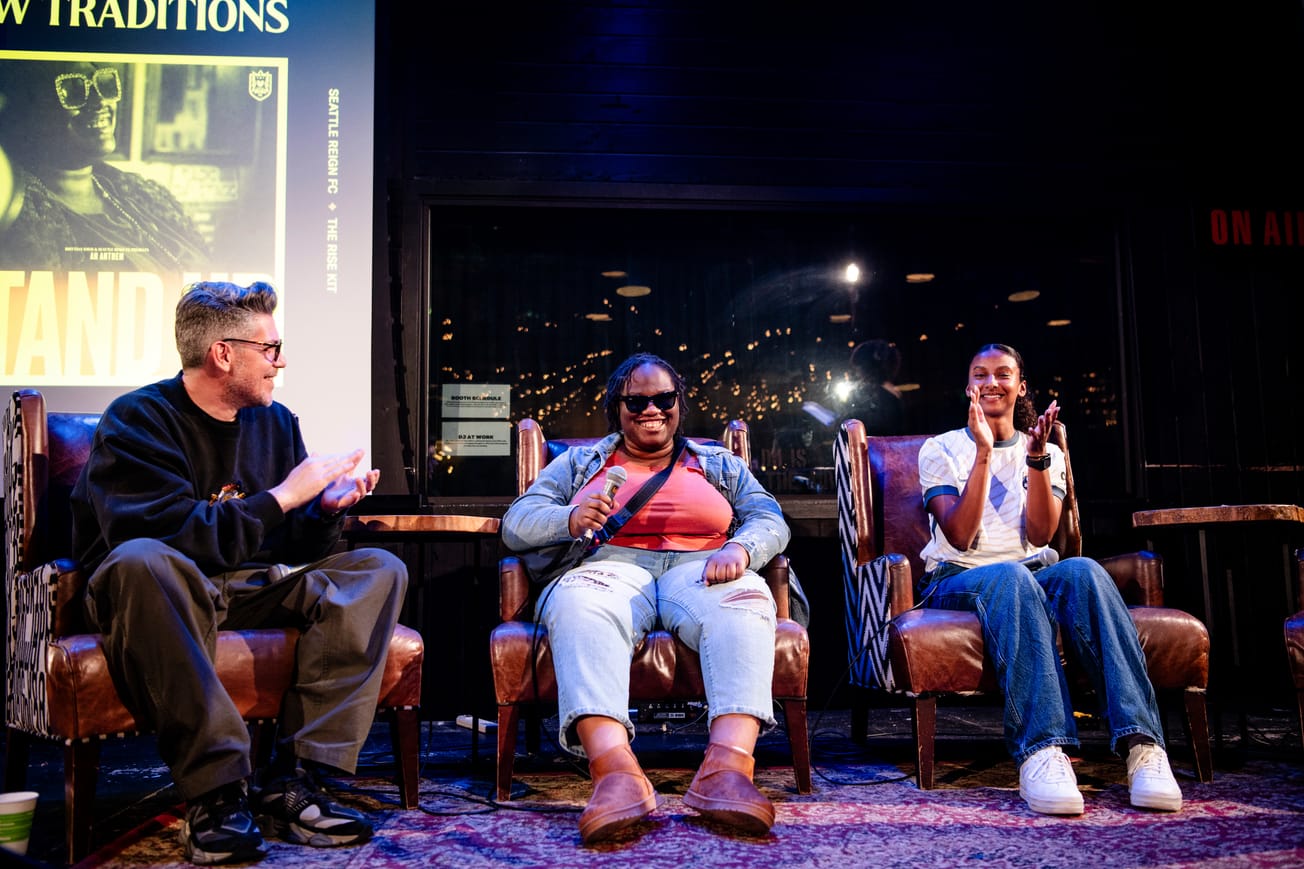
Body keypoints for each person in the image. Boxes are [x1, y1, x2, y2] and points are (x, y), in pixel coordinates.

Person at [69, 281, 408, 865]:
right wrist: (280, 496)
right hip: (160, 592)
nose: (281, 361)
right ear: (223, 354)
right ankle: (217, 793)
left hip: (245, 586)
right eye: (270, 349)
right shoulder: (138, 420)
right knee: (144, 560)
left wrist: (323, 511)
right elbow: (163, 537)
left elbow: (292, 543)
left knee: (375, 569)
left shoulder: (274, 423)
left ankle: (297, 780)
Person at [500, 352, 791, 843]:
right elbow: (516, 522)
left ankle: (727, 772)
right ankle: (615, 775)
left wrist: (743, 547)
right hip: (607, 566)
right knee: (579, 606)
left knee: (746, 602)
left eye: (663, 398)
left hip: (703, 566)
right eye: (637, 400)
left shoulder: (717, 462)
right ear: (617, 407)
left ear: (679, 402)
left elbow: (769, 515)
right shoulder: (577, 463)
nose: (651, 409)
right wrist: (569, 518)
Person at [916, 342, 1183, 816]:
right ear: (968, 387)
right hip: (957, 580)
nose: (991, 383)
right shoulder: (941, 449)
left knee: (1082, 569)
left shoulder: (1047, 453)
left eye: (1003, 374)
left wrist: (1036, 459)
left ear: (1021, 387)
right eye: (980, 375)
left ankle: (1144, 746)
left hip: (1031, 571)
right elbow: (959, 536)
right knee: (1010, 579)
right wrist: (982, 452)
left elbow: (1040, 534)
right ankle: (1043, 751)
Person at [0, 58, 210, 271]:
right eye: (73, 90)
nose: (99, 101)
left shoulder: (143, 196)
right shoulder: (20, 218)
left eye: (104, 85)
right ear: (29, 111)